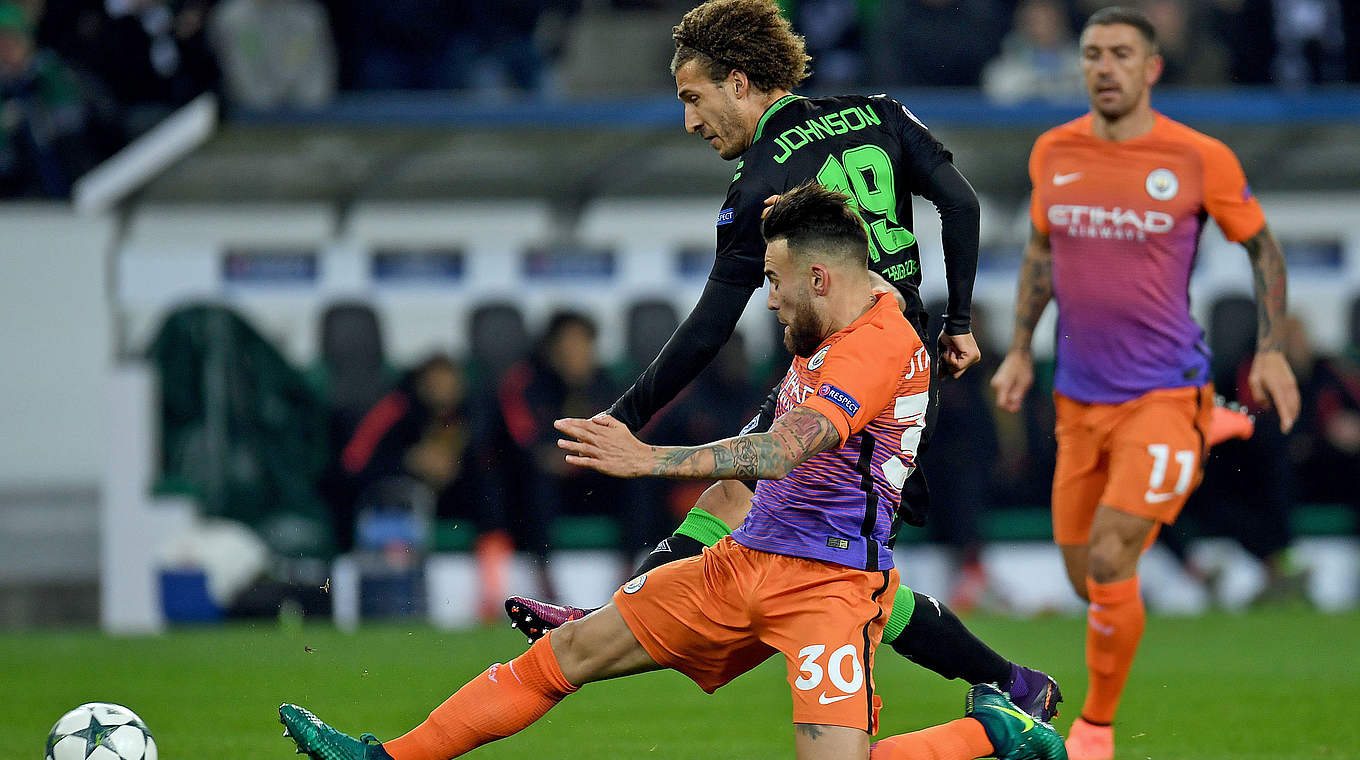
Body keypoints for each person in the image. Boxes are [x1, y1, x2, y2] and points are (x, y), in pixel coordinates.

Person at [279, 182, 1066, 760]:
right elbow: (751, 474)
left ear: (820, 279)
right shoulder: (844, 309)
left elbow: (783, 450)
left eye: (774, 281)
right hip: (743, 562)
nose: (766, 301)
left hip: (829, 586)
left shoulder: (873, 346)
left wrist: (645, 458)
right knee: (571, 655)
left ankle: (991, 733)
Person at [505, 0, 1064, 722]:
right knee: (746, 506)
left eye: (693, 98)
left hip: (854, 371)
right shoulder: (880, 111)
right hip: (901, 352)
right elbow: (960, 202)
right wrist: (958, 320)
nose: (689, 122)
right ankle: (1018, 685)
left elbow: (708, 329)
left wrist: (624, 419)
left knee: (851, 570)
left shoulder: (763, 180)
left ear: (739, 83)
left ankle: (1014, 691)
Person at [988, 8, 1301, 760]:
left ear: (1151, 68)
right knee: (1084, 580)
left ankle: (1096, 726)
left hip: (1161, 392)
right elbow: (1039, 254)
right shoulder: (1052, 152)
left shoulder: (1197, 158)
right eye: (1093, 53)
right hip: (1079, 399)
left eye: (1121, 53)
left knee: (1109, 558)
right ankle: (1210, 425)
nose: (1104, 66)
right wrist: (1022, 350)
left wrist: (1271, 350)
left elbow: (1263, 251)